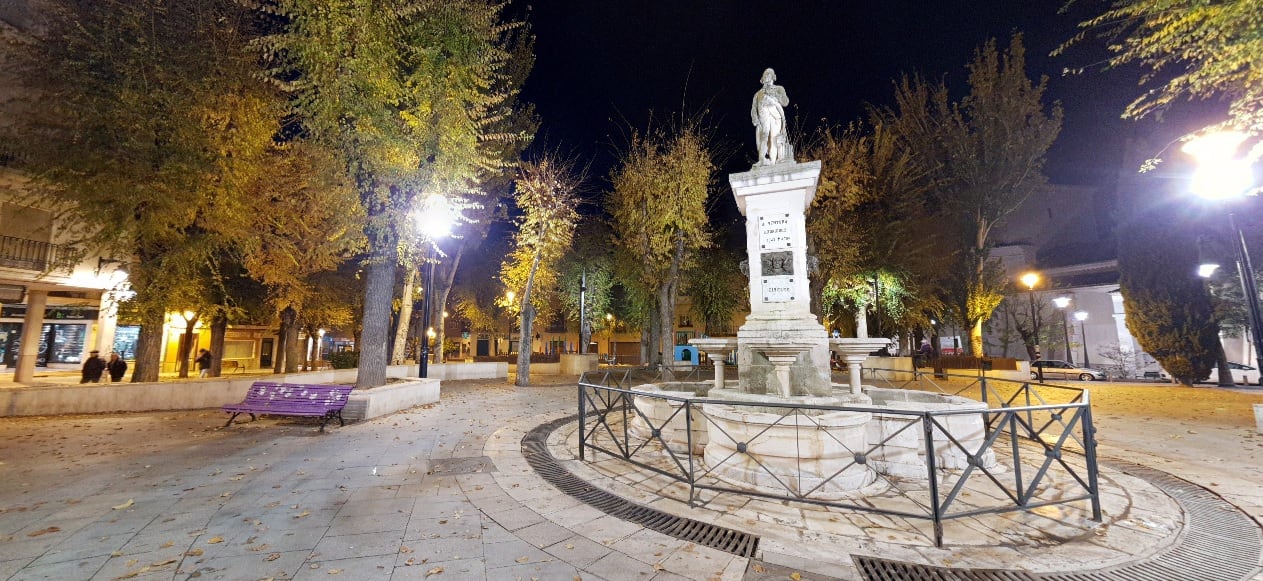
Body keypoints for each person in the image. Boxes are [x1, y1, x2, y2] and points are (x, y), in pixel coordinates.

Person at [751, 68, 792, 165]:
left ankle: (773, 162)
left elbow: (785, 102)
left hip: (775, 117)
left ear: (773, 76)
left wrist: (776, 97)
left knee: (774, 138)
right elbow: (754, 108)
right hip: (763, 119)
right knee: (762, 138)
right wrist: (755, 120)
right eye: (764, 75)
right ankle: (762, 160)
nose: (766, 77)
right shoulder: (758, 94)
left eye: (768, 74)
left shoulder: (779, 89)